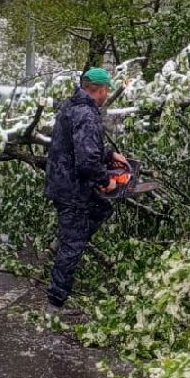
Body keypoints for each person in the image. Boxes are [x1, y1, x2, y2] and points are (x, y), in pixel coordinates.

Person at [43, 67, 126, 316]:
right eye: (106, 90)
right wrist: (106, 181)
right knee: (75, 242)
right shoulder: (87, 114)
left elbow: (76, 146)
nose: (106, 94)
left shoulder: (70, 106)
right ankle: (54, 304)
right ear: (100, 90)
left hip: (63, 182)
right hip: (73, 188)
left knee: (102, 208)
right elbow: (87, 161)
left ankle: (64, 244)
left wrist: (110, 155)